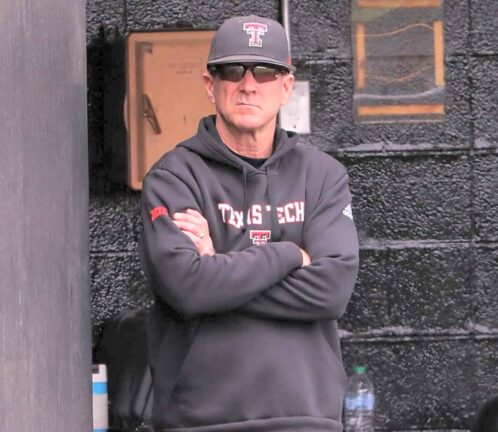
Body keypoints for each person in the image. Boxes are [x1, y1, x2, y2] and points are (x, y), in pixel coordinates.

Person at [139, 14, 360, 431]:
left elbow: (332, 291)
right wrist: (290, 254)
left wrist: (218, 265)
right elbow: (188, 288)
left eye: (265, 71)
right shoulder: (173, 178)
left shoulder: (324, 176)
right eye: (232, 70)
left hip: (307, 418)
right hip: (202, 421)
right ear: (211, 85)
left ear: (285, 87)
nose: (248, 84)